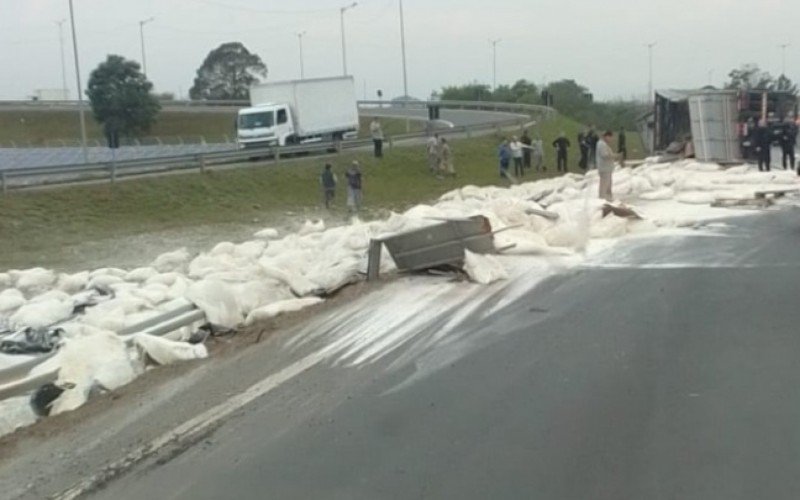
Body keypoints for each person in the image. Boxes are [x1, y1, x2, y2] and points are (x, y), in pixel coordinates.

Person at [596, 130, 621, 201]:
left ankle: (608, 198)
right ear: (607, 136)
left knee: (607, 185)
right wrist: (615, 156)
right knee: (604, 186)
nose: (611, 140)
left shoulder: (602, 144)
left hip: (606, 168)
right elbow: (605, 155)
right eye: (610, 137)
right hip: (605, 168)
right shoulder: (602, 144)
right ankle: (603, 200)